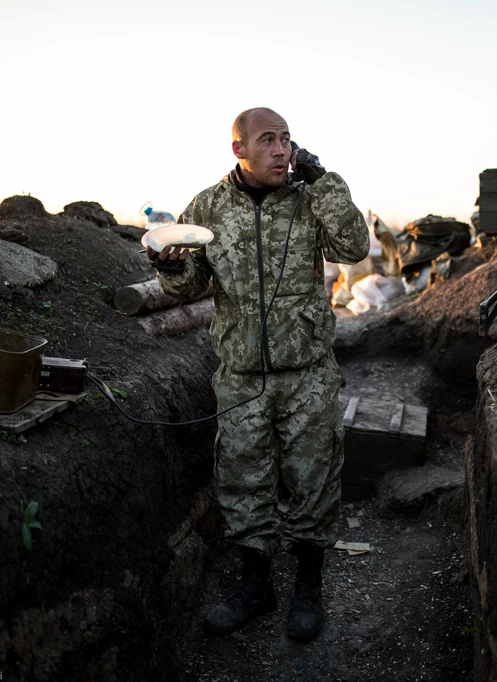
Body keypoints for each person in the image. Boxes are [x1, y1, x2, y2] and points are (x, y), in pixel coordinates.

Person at [146, 107, 370, 641]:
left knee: (312, 479)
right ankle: (256, 587)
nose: (281, 150)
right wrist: (170, 263)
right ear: (239, 149)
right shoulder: (207, 207)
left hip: (308, 373)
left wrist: (324, 180)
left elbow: (355, 247)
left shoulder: (310, 197)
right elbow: (185, 288)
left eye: (287, 140)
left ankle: (308, 589)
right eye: (267, 140)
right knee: (244, 481)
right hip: (242, 376)